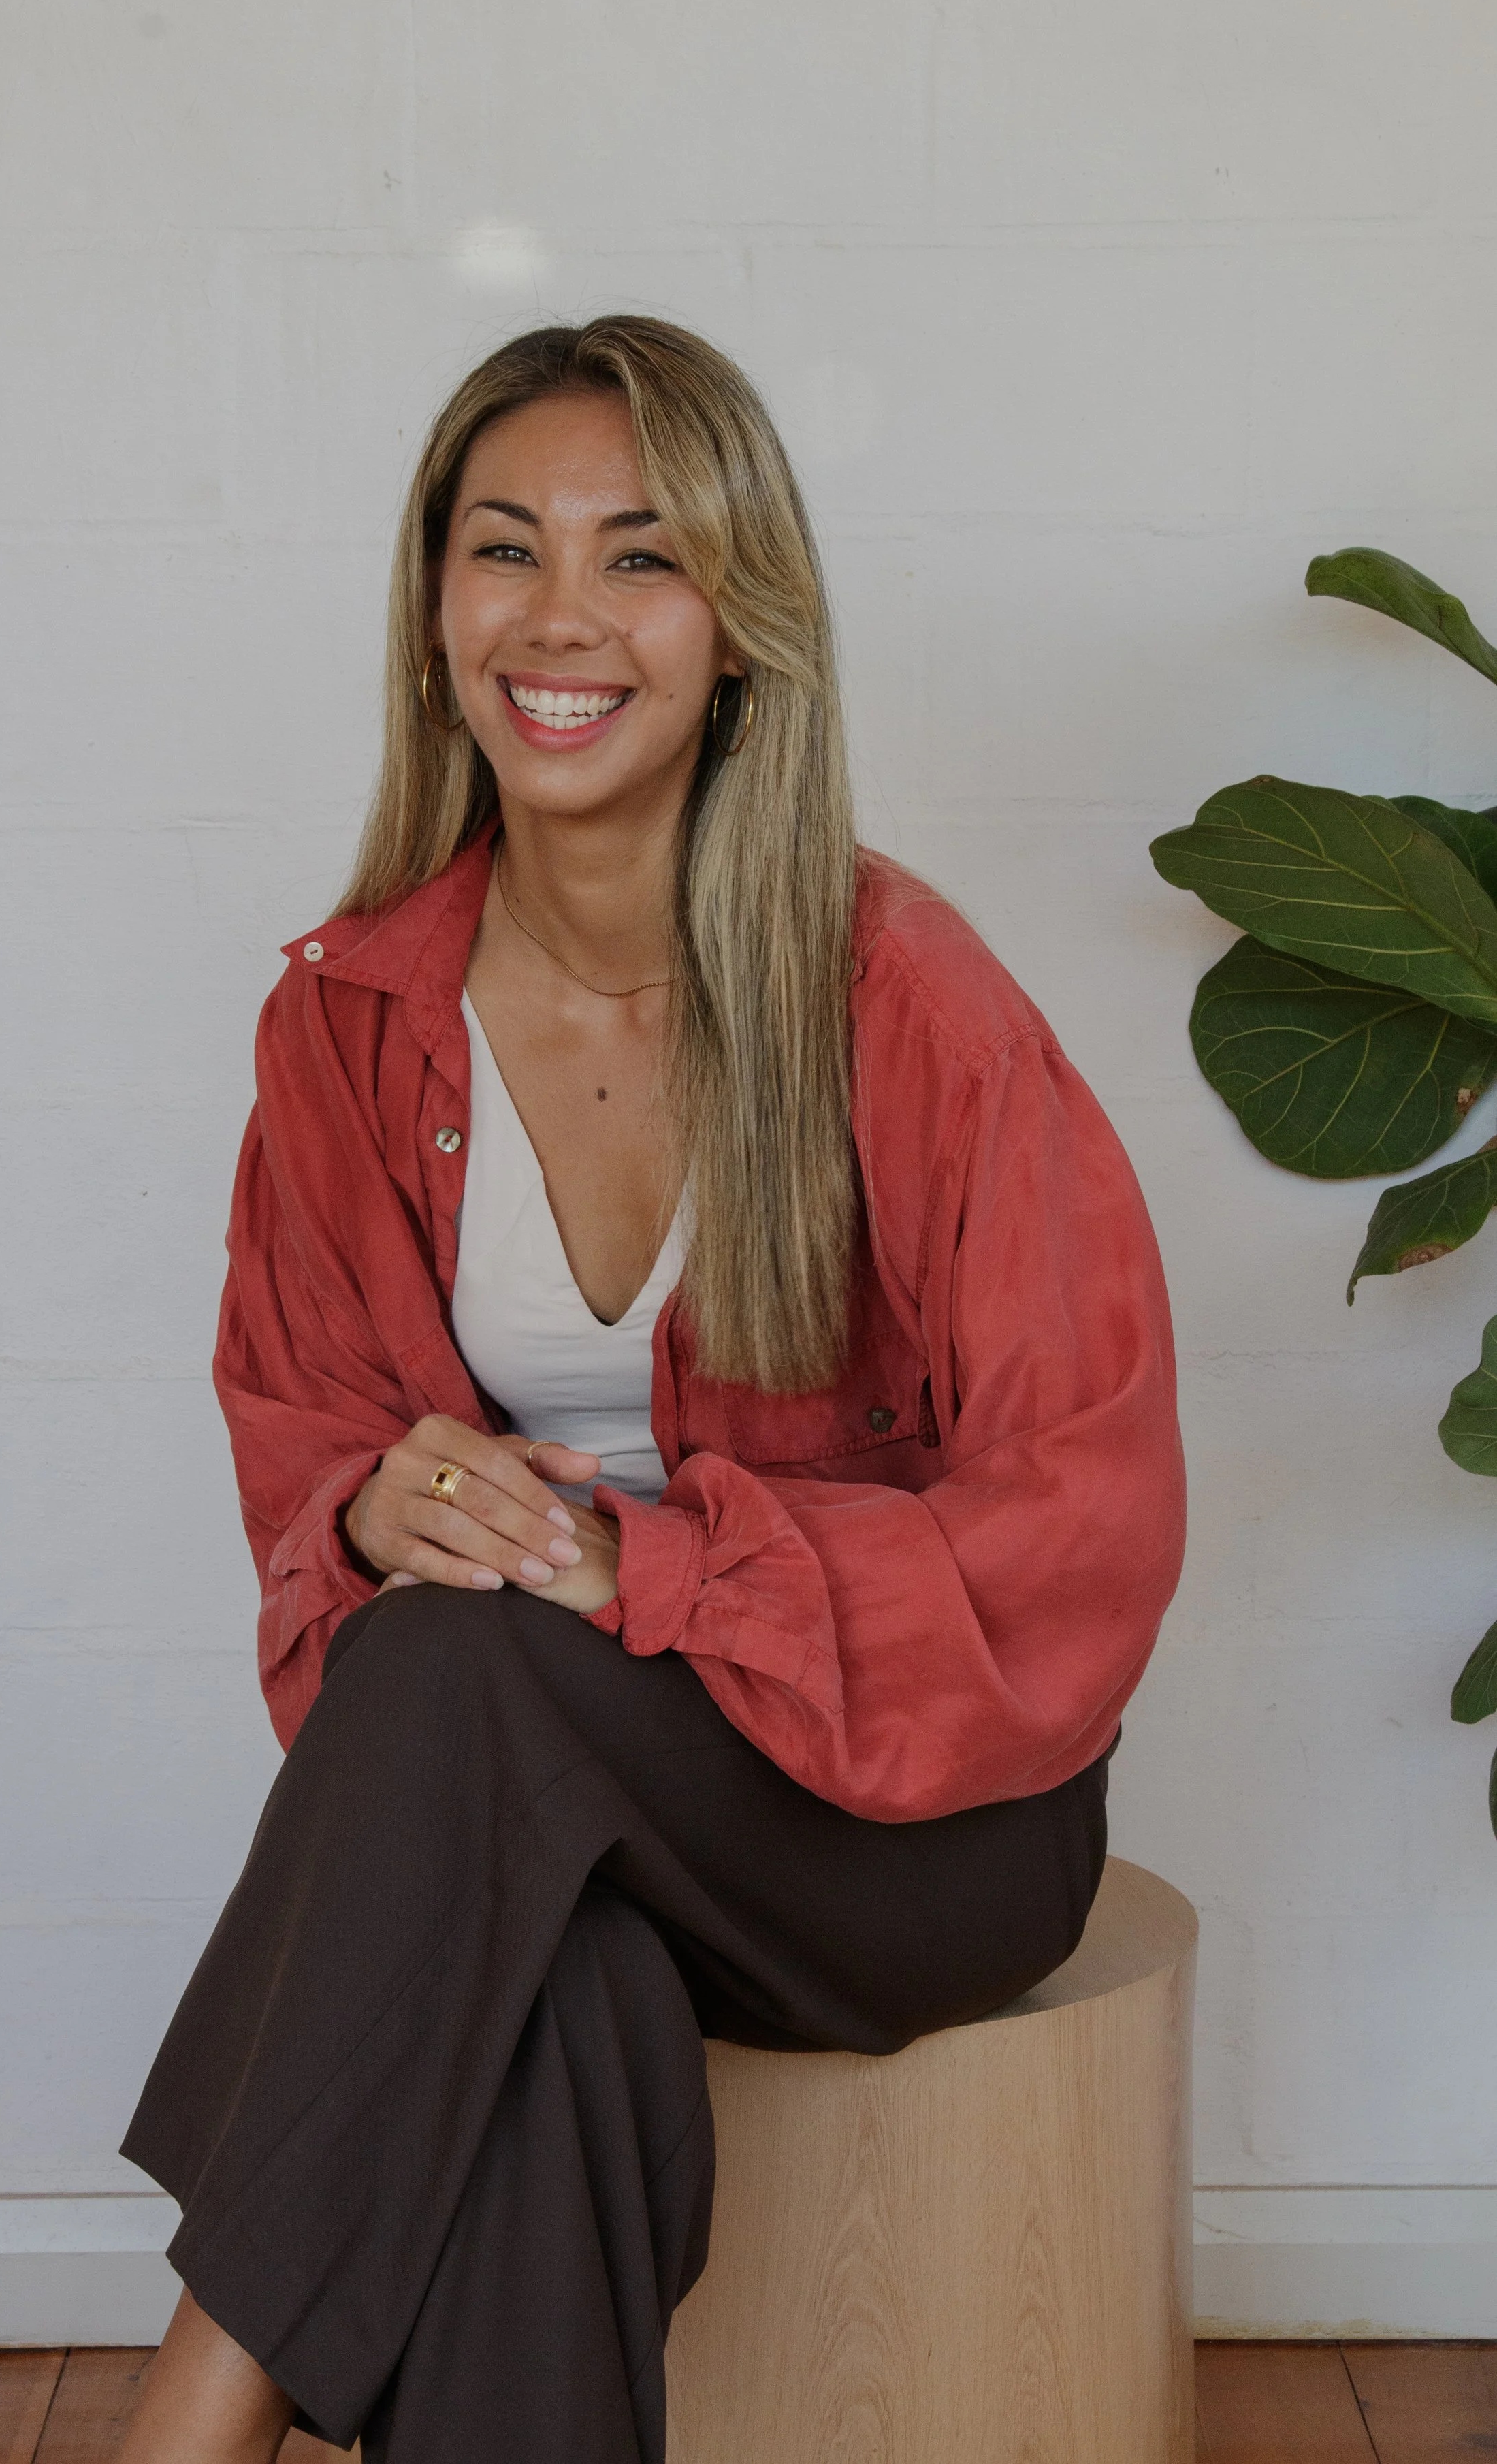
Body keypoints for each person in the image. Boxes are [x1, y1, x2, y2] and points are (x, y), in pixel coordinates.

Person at [116, 315, 1185, 2464]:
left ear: (738, 626)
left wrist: (658, 1569)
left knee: (456, 1679)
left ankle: (175, 2435)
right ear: (435, 613)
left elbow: (1087, 1514)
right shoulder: (349, 1020)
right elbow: (300, 1413)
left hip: (902, 1831)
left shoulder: (905, 997)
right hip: (526, 1804)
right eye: (506, 548)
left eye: (644, 555)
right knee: (544, 1992)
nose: (563, 618)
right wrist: (368, 1507)